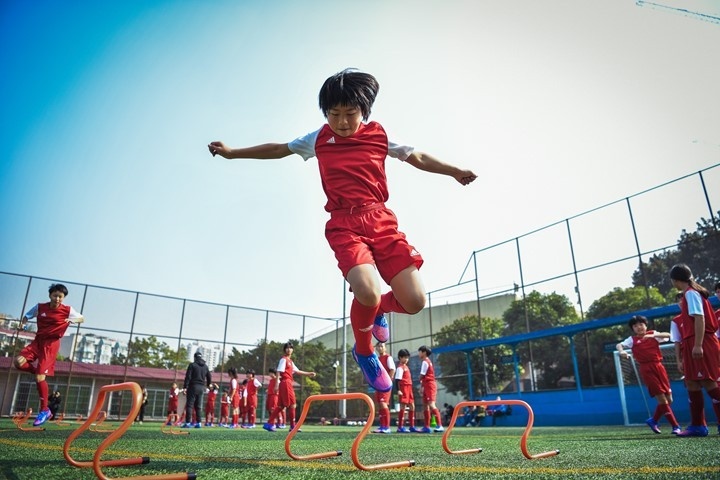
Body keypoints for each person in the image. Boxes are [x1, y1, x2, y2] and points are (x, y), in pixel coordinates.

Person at [208, 69, 477, 394]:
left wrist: (454, 171)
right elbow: (278, 149)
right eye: (334, 114)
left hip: (381, 221)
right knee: (366, 289)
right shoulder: (318, 139)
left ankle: (378, 310)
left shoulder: (379, 135)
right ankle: (364, 351)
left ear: (364, 111)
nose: (342, 122)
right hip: (344, 224)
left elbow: (416, 156)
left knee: (415, 300)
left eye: (350, 114)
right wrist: (232, 152)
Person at [15, 283, 84, 426]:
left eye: (61, 297)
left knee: (40, 377)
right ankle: (40, 375)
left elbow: (81, 318)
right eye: (55, 295)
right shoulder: (40, 307)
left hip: (51, 345)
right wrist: (23, 324)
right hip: (38, 341)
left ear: (63, 298)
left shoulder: (67, 310)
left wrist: (71, 319)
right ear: (50, 295)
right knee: (18, 362)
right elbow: (27, 316)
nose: (58, 299)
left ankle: (44, 410)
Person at [669, 263, 720, 437]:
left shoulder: (691, 294)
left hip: (702, 341)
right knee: (691, 382)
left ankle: (699, 425)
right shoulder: (690, 293)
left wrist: (698, 344)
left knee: (707, 381)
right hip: (693, 342)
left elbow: (700, 318)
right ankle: (698, 425)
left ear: (675, 280)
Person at [617, 315, 681, 434]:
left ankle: (654, 420)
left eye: (641, 324)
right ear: (633, 329)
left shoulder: (653, 334)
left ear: (646, 325)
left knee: (669, 399)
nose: (639, 327)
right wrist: (621, 351)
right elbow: (619, 345)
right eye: (635, 326)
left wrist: (654, 335)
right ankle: (675, 426)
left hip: (659, 367)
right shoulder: (632, 340)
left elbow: (669, 335)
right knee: (662, 400)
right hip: (647, 369)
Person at [263, 341, 316, 432]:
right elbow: (279, 372)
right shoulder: (283, 359)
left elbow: (297, 371)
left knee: (280, 406)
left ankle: (269, 423)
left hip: (286, 383)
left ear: (293, 350)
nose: (289, 349)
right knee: (292, 405)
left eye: (290, 348)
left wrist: (309, 373)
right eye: (287, 348)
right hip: (286, 383)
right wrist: (276, 385)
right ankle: (292, 426)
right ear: (284, 350)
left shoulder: (290, 361)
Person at [182, 351, 212, 428]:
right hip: (201, 388)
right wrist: (208, 384)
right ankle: (198, 423)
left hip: (193, 386)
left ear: (195, 357)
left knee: (189, 405)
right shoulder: (205, 366)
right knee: (198, 406)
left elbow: (188, 376)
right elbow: (209, 376)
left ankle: (188, 423)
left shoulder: (192, 365)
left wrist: (185, 387)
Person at [418, 345, 444, 433]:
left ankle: (439, 425)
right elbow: (423, 377)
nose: (419, 353)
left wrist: (420, 381)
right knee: (425, 405)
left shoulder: (425, 362)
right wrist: (422, 386)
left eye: (420, 351)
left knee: (431, 404)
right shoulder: (426, 362)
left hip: (430, 385)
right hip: (426, 385)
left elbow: (422, 375)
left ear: (424, 352)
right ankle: (426, 426)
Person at [373, 342, 396, 434]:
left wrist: (388, 381)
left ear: (385, 348)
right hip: (379, 384)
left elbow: (393, 369)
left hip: (385, 385)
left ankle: (387, 427)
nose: (380, 348)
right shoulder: (377, 359)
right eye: (378, 346)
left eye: (381, 346)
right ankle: (382, 426)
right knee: (379, 403)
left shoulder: (388, 358)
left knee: (383, 403)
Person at [394, 348, 417, 433]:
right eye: (405, 357)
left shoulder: (406, 367)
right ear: (400, 357)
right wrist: (398, 390)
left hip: (409, 388)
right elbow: (397, 380)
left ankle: (412, 426)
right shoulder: (400, 368)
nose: (406, 359)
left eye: (407, 357)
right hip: (403, 388)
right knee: (403, 407)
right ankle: (400, 427)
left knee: (412, 406)